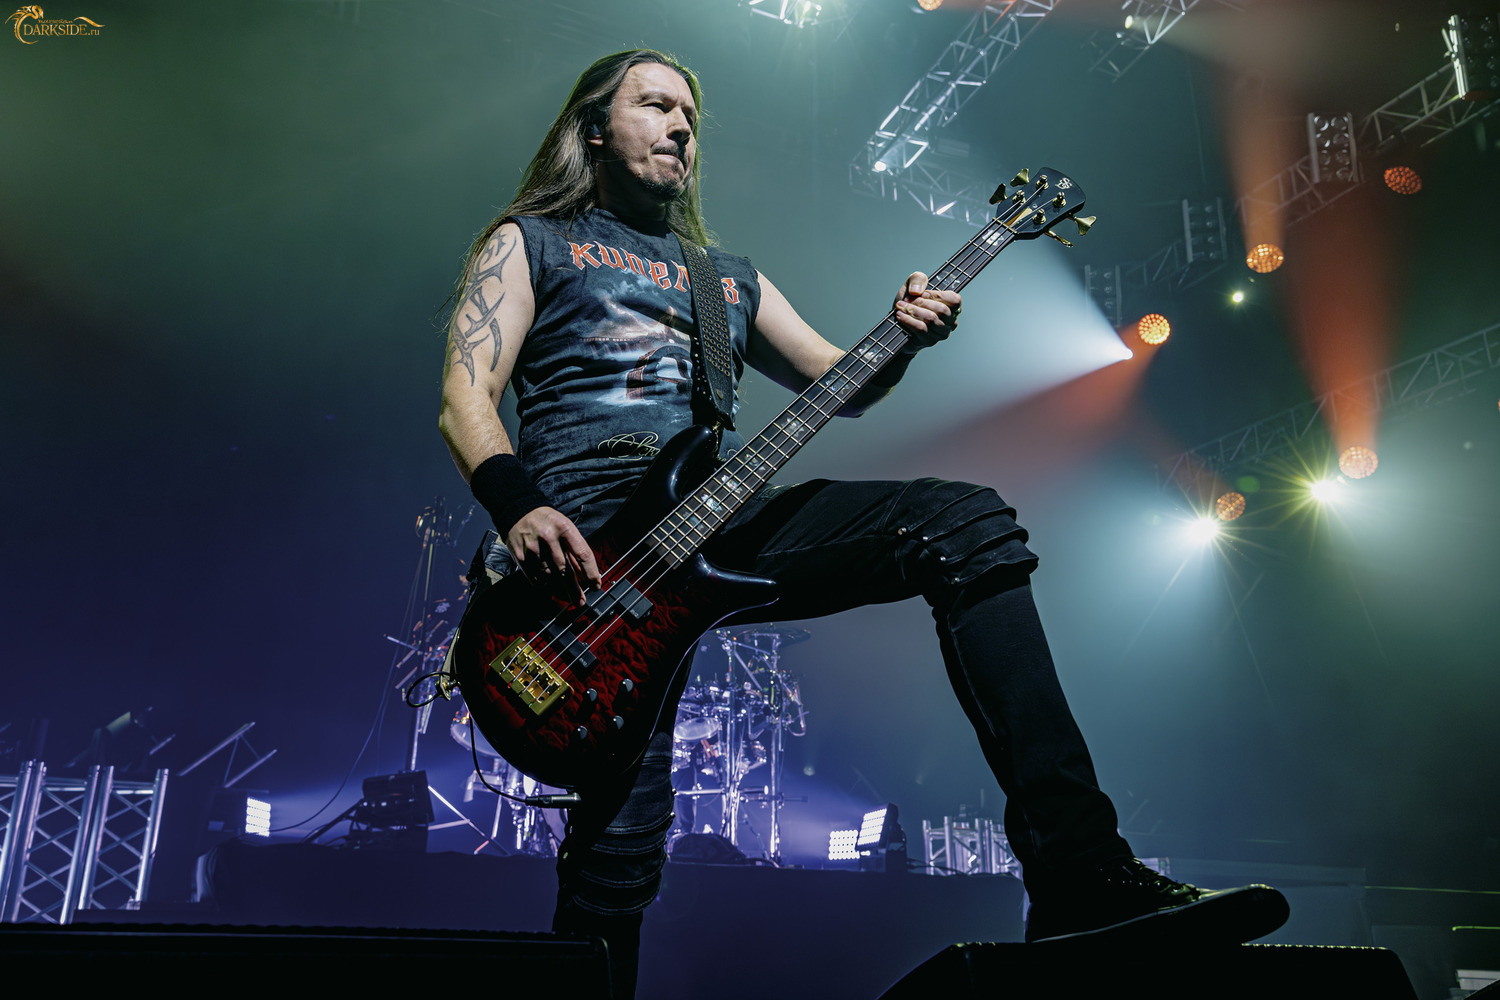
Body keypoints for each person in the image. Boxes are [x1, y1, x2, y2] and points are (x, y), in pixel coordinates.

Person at [439, 48, 1287, 999]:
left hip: (716, 518)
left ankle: (1079, 868)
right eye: (656, 105)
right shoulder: (531, 241)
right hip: (584, 544)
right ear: (595, 127)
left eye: (692, 115)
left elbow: (840, 384)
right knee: (619, 845)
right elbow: (465, 397)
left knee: (964, 523)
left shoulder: (724, 278)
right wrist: (520, 505)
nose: (681, 126)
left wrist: (903, 338)